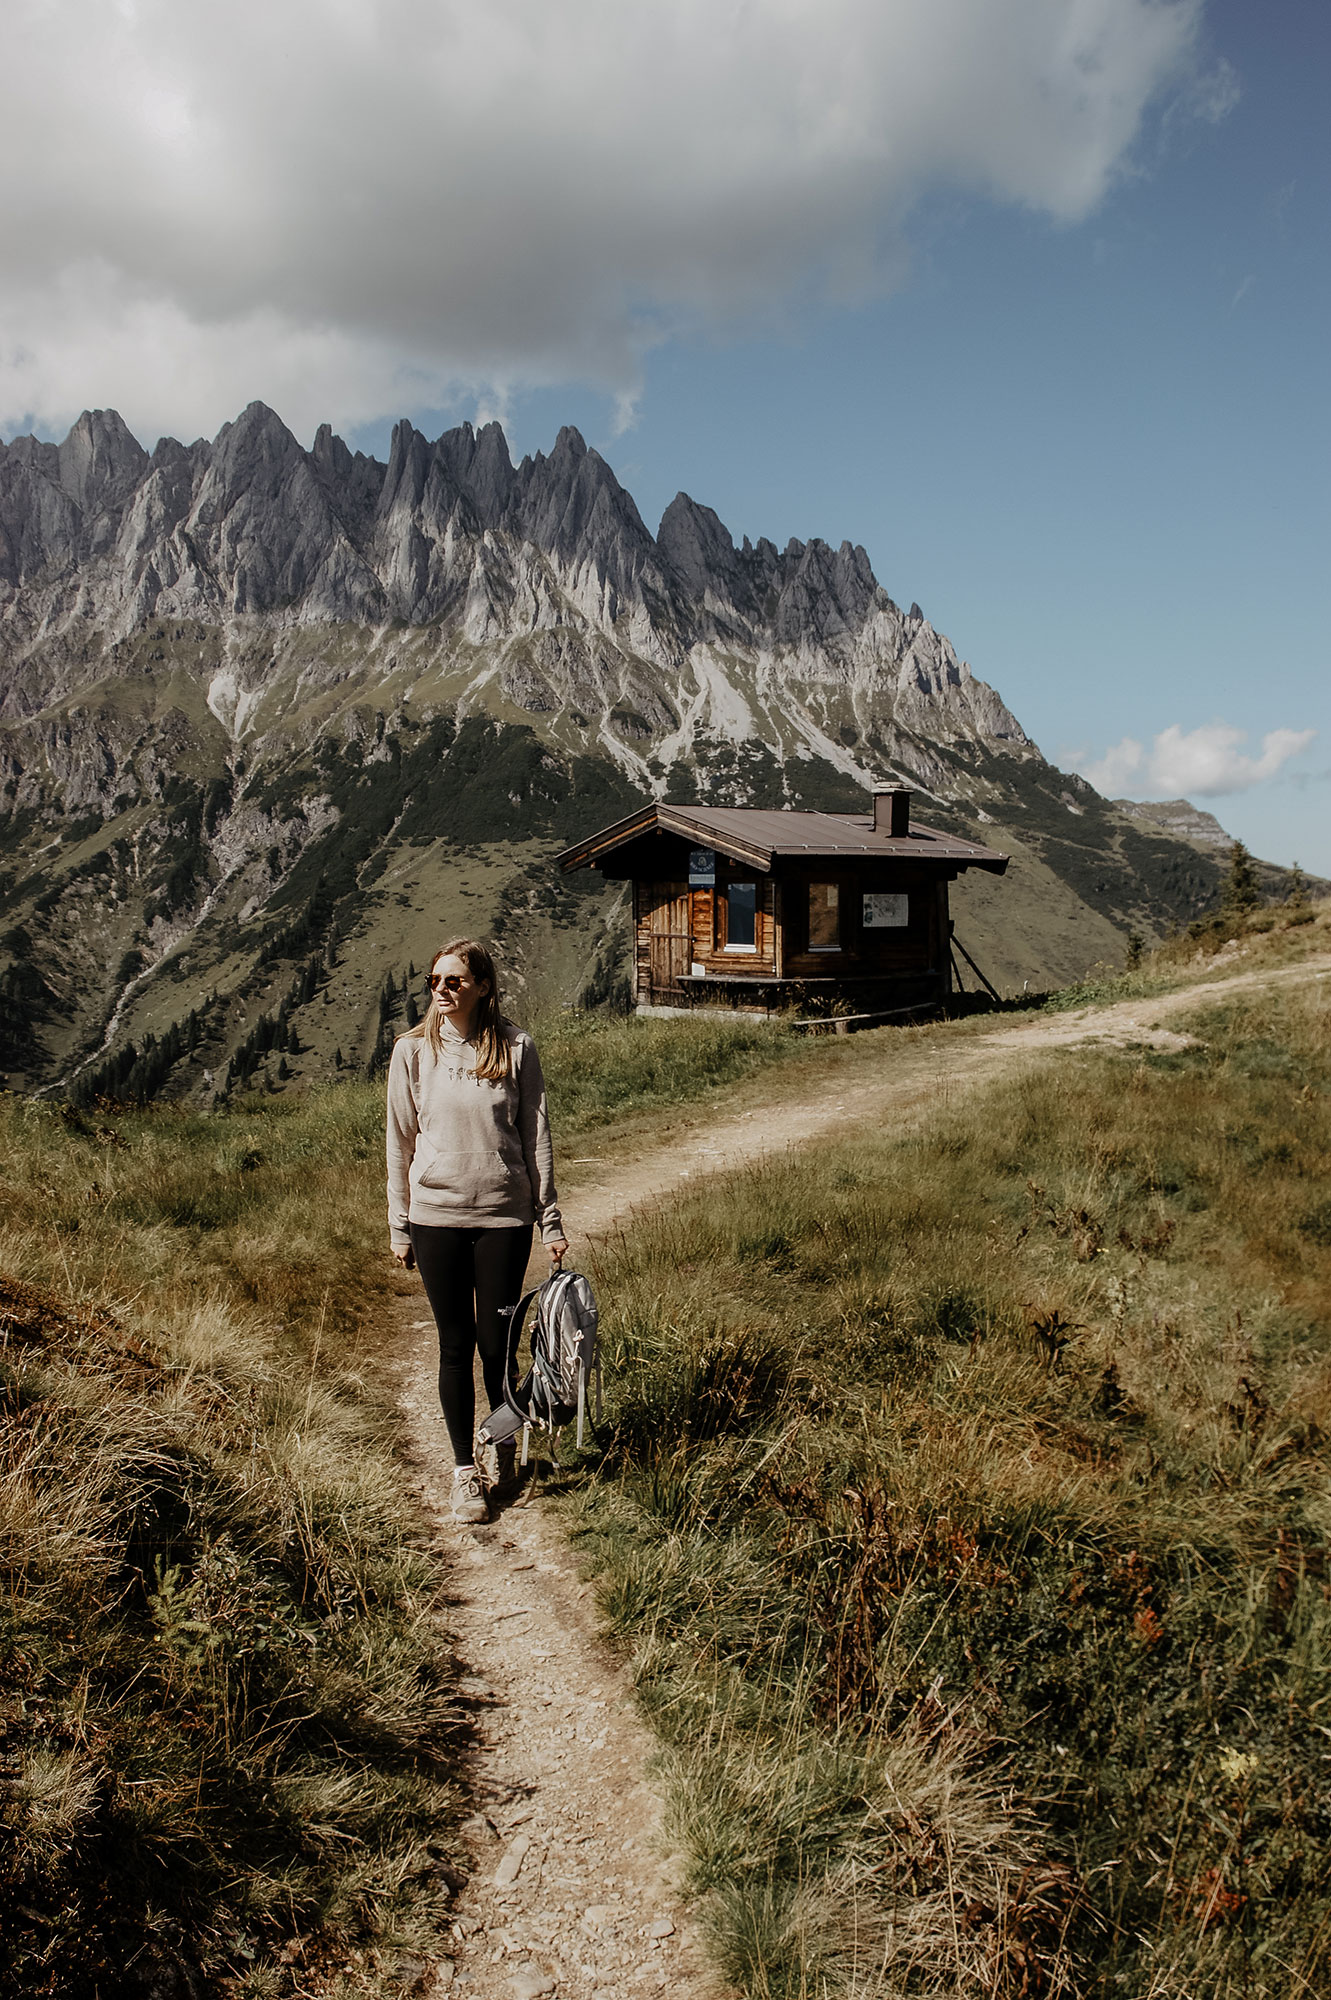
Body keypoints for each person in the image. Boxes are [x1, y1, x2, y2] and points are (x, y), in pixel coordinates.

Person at [386, 937, 568, 1523]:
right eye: (435, 980)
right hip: (434, 1217)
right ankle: (465, 1470)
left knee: (498, 1346)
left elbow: (535, 1137)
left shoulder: (516, 1048)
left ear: (482, 987)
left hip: (502, 1218)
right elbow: (399, 1143)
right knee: (454, 1345)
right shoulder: (411, 1052)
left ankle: (504, 1438)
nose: (442, 989)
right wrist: (400, 1226)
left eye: (454, 981)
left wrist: (550, 1221)